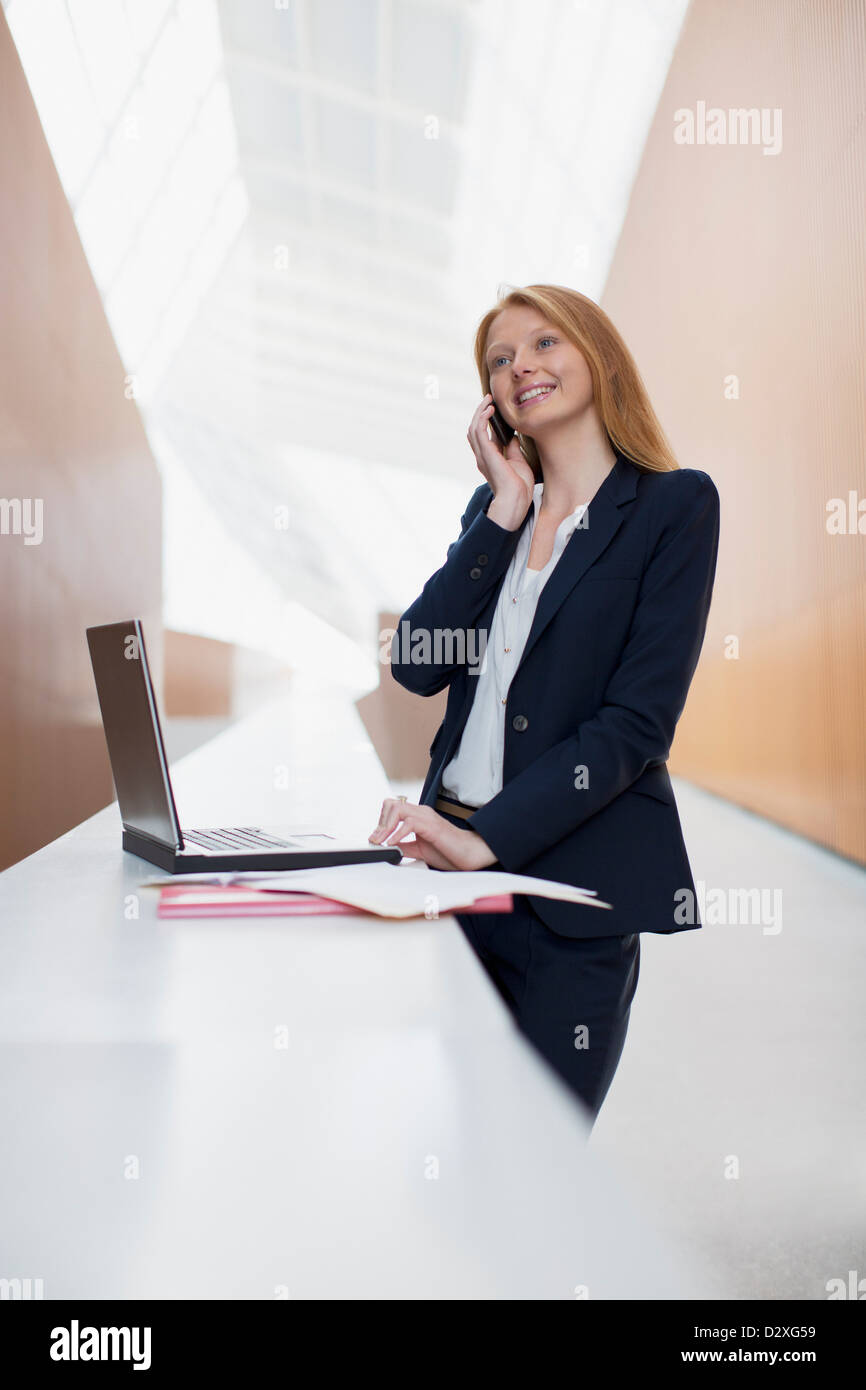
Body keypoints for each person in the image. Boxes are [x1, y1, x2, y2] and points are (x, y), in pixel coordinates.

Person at [369, 283, 720, 1126]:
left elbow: (637, 725)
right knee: (455, 1147)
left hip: (571, 892)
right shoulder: (494, 515)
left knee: (538, 1164)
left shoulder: (674, 507)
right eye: (499, 359)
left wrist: (488, 837)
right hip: (452, 884)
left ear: (598, 354)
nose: (520, 365)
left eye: (544, 343)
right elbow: (417, 663)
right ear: (492, 405)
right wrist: (504, 510)